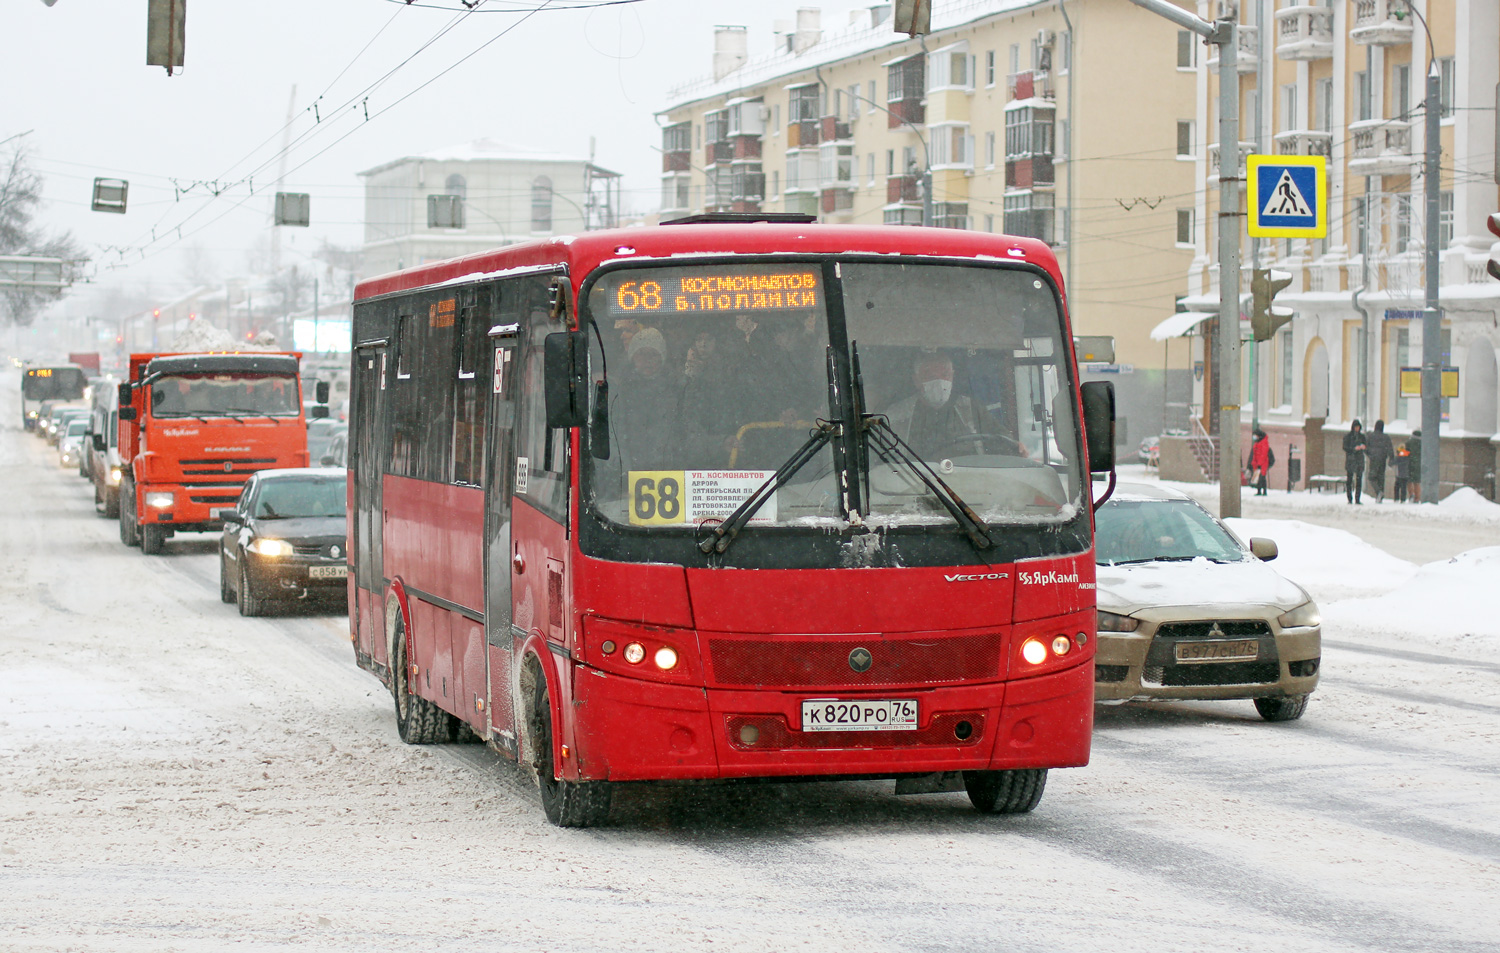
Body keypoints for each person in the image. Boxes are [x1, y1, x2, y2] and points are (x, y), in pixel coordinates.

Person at [882, 352, 1000, 459]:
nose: (940, 381)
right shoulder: (896, 414)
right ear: (916, 380)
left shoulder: (970, 408)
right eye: (931, 376)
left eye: (945, 375)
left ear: (952, 376)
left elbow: (1001, 440)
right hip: (915, 480)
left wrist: (1017, 448)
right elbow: (882, 462)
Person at [611, 326, 677, 470]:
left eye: (653, 354)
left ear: (662, 357)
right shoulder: (620, 392)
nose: (648, 360)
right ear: (633, 357)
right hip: (630, 475)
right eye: (641, 354)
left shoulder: (678, 389)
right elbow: (617, 438)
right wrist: (625, 475)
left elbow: (683, 436)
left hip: (672, 473)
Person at [1365, 419, 1394, 503]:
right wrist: (1391, 459)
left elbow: (1365, 447)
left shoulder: (1371, 436)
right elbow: (1390, 449)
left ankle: (1378, 492)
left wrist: (1370, 454)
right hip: (1382, 459)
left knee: (1372, 477)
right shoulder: (1386, 437)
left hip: (1374, 459)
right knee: (1381, 477)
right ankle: (1380, 496)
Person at [1342, 419, 1367, 504]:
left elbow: (1366, 446)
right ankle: (1349, 498)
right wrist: (1353, 449)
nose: (1357, 429)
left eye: (1358, 427)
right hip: (1351, 460)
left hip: (1359, 460)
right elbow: (1345, 447)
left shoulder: (1362, 437)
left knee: (1359, 480)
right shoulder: (1348, 437)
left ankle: (1357, 498)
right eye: (1356, 427)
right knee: (1349, 480)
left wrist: (1363, 447)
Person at [1247, 429, 1274, 496]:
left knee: (1262, 477)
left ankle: (1263, 491)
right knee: (1258, 477)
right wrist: (1255, 462)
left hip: (1263, 463)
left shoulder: (1263, 443)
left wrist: (1259, 463)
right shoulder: (1258, 443)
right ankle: (1259, 490)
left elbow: (1263, 454)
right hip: (1258, 463)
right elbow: (1255, 454)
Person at [1407, 429, 1423, 503]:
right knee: (1417, 482)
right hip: (1419, 465)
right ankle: (1417, 498)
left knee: (1409, 481)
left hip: (1409, 463)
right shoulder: (1422, 444)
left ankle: (1411, 494)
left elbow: (1405, 453)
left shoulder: (1409, 443)